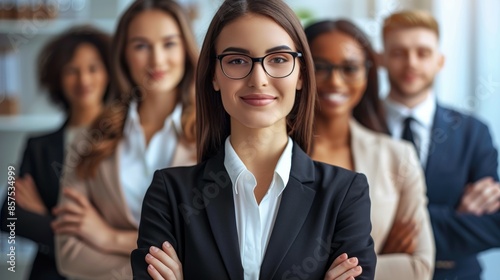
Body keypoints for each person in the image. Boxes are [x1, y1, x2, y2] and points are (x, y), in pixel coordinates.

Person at [131, 1, 377, 279]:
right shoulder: (169, 193)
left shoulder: (345, 194)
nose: (258, 79)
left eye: (279, 59)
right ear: (213, 75)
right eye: (237, 60)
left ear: (301, 74)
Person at [52, 0, 198, 279]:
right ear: (123, 55)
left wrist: (109, 238)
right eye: (141, 46)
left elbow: (207, 251)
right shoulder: (90, 137)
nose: (156, 60)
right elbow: (69, 254)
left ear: (185, 49)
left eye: (169, 44)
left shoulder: (212, 135)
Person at [305, 19, 435, 280]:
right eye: (320, 67)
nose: (335, 80)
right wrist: (371, 259)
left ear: (367, 74)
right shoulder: (271, 152)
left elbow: (420, 268)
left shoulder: (398, 156)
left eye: (350, 68)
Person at [381, 10, 500, 280]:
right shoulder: (357, 126)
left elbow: (494, 225)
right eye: (399, 53)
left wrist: (387, 227)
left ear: (440, 61)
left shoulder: (474, 132)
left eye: (423, 53)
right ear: (382, 59)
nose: (411, 63)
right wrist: (455, 216)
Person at [0, 25, 113, 280]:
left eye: (93, 68)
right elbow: (8, 215)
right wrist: (88, 236)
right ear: (58, 77)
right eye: (72, 70)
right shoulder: (38, 145)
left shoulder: (125, 139)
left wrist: (43, 215)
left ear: (108, 73)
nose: (84, 79)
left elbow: (128, 224)